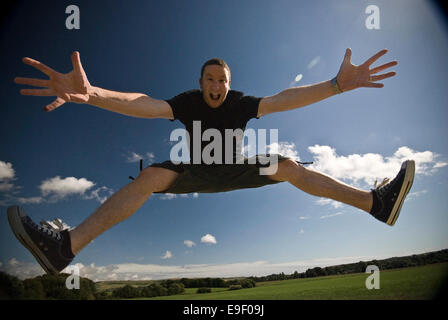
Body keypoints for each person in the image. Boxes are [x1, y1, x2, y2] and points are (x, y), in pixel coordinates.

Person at [8, 48, 415, 275]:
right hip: (199, 170)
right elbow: (143, 104)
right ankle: (65, 247)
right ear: (200, 82)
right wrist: (93, 93)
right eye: (209, 79)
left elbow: (282, 100)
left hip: (235, 166)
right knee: (150, 175)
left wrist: (336, 84)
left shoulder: (240, 103)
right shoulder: (186, 102)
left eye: (222, 80)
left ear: (228, 84)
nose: (216, 86)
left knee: (287, 166)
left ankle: (375, 203)